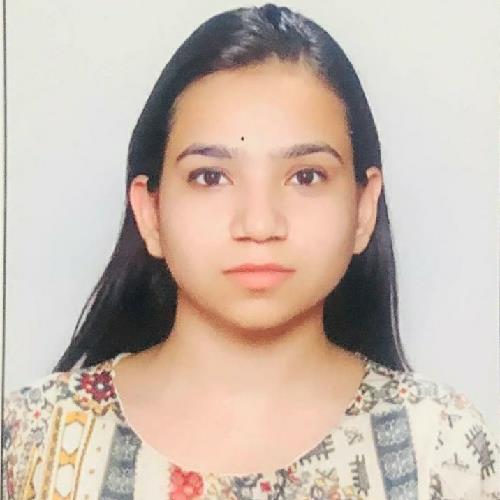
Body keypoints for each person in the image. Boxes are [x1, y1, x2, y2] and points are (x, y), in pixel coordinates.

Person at [2, 3, 499, 499]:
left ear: (363, 209)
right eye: (210, 177)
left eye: (306, 177)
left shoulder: (440, 448)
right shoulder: (30, 441)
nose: (259, 225)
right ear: (150, 211)